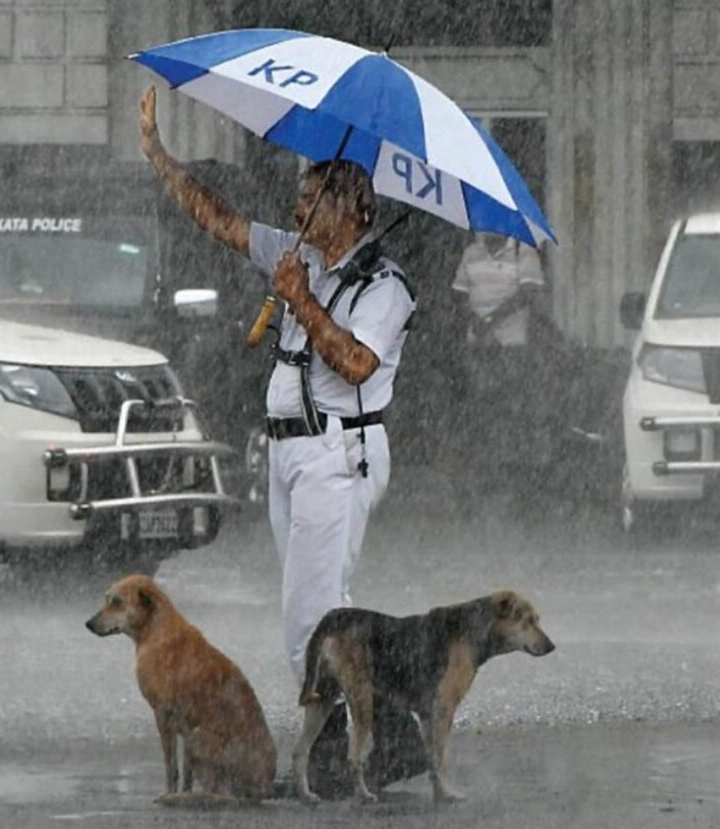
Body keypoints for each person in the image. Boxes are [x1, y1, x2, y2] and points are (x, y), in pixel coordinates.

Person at [138, 86, 421, 794]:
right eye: (297, 201)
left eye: (309, 201)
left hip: (338, 453)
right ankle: (382, 740)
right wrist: (160, 156)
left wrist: (299, 297)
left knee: (311, 618)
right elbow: (224, 222)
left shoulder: (385, 285)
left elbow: (355, 363)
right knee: (327, 612)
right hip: (292, 454)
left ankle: (348, 749)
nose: (295, 213)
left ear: (351, 207)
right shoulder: (305, 257)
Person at [450, 232, 547, 505]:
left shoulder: (523, 251)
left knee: (511, 410)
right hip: (479, 346)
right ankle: (487, 473)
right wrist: (476, 322)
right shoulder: (471, 252)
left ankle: (512, 476)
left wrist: (491, 320)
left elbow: (528, 293)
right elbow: (458, 294)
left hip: (512, 347)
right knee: (482, 411)